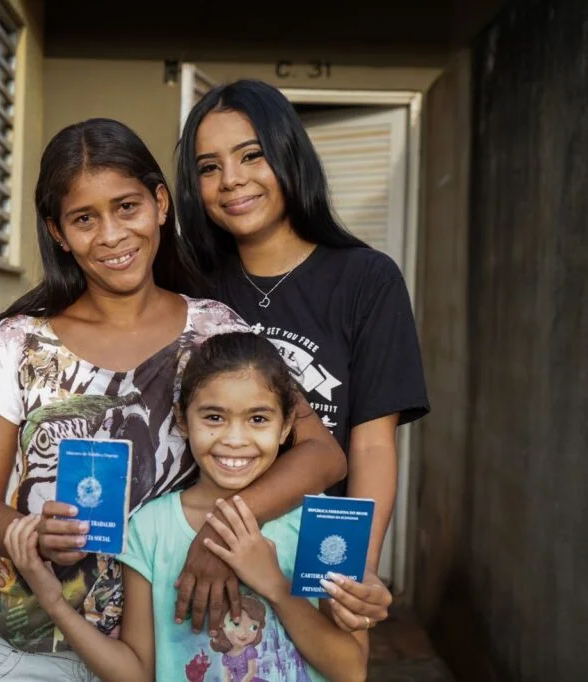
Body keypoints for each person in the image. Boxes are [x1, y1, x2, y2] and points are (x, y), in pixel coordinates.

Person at [0, 118, 347, 680]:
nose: (112, 235)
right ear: (58, 232)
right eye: (84, 219)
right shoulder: (18, 342)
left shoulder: (214, 331)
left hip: (174, 645)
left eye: (127, 207)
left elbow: (322, 453)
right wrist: (26, 532)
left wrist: (221, 532)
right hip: (29, 642)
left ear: (161, 203)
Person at [175, 79, 430, 633]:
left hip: (312, 560)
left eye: (251, 155)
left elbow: (369, 443)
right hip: (192, 560)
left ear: (289, 154)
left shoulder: (366, 279)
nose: (232, 180)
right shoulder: (188, 284)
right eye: (209, 167)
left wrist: (358, 565)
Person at [4, 332, 369, 682]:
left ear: (287, 424)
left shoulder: (322, 523)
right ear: (182, 419)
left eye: (258, 419)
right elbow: (137, 672)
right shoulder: (150, 528)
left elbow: (352, 670)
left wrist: (274, 585)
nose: (235, 439)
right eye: (214, 417)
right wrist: (54, 603)